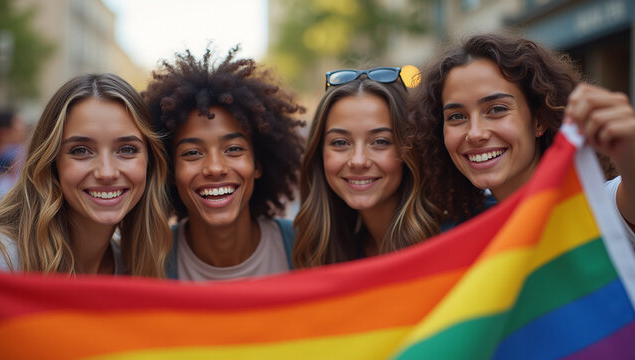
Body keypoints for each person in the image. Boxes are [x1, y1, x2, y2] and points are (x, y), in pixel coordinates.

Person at [410, 33, 635, 243]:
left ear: (539, 120)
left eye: (496, 109)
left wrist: (629, 148)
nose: (476, 133)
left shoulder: (594, 207)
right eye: (457, 116)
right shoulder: (453, 230)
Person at [144, 47, 306, 281]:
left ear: (258, 164)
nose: (215, 168)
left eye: (233, 149)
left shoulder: (307, 251)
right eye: (192, 153)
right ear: (170, 171)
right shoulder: (147, 264)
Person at [0, 73, 172, 276]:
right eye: (81, 150)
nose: (106, 172)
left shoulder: (138, 265)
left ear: (149, 162)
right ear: (51, 163)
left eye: (127, 149)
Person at [292, 67, 440, 268]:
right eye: (340, 143)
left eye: (380, 141)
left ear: (409, 149)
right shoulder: (320, 253)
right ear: (319, 154)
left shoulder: (454, 236)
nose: (358, 161)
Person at [0, 109, 28, 207]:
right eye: (19, 130)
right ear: (3, 133)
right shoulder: (14, 155)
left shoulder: (23, 154)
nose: (24, 133)